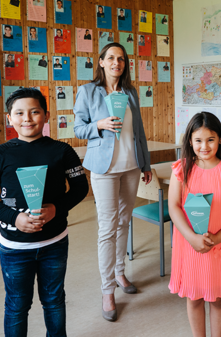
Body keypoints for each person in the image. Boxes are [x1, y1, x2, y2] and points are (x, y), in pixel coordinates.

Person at [0, 88, 88, 337]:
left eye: (35, 112)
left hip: (54, 242)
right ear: (9, 118)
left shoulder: (62, 151)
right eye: (20, 113)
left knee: (54, 300)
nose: (27, 118)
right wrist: (14, 217)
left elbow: (81, 188)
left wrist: (56, 208)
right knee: (17, 305)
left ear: (46, 116)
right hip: (15, 247)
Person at [73, 43, 152, 322]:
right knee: (107, 227)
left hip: (131, 167)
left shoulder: (130, 92)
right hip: (104, 169)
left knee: (123, 221)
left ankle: (119, 272)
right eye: (111, 58)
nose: (116, 62)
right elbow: (78, 128)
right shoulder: (88, 91)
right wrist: (99, 125)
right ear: (101, 62)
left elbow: (139, 131)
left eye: (121, 59)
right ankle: (107, 291)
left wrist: (145, 163)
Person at [168, 112, 221, 337]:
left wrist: (217, 239)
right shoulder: (181, 169)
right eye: (198, 140)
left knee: (219, 299)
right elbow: (174, 207)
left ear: (220, 139)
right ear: (190, 141)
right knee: (194, 298)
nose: (204, 146)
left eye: (210, 139)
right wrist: (193, 238)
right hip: (189, 245)